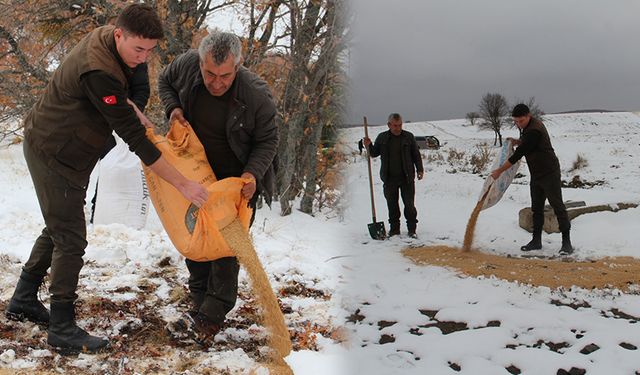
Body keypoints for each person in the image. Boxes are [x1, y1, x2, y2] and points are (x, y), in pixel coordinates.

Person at [6, 4, 209, 354]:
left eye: (149, 50)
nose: (143, 57)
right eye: (138, 50)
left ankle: (24, 297)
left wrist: (131, 103)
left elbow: (138, 87)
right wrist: (183, 184)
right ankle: (62, 326)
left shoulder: (123, 47)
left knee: (60, 224)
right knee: (70, 238)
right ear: (119, 34)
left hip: (75, 148)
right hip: (54, 150)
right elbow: (134, 137)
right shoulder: (98, 69)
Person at [158, 30, 278, 345]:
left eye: (225, 75)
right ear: (200, 62)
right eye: (209, 73)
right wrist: (174, 109)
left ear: (237, 67)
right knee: (196, 235)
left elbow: (268, 140)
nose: (216, 82)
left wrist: (252, 175)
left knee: (226, 246)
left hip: (236, 179)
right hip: (195, 170)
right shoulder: (186, 66)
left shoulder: (255, 95)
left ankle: (211, 316)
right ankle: (199, 300)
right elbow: (164, 81)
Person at [491, 103, 573, 255]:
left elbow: (518, 155)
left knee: (558, 206)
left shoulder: (534, 130)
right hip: (536, 173)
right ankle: (536, 241)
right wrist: (517, 141)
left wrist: (499, 171)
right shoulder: (528, 129)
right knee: (536, 208)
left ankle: (566, 242)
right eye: (515, 121)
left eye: (521, 121)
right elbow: (527, 143)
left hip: (549, 172)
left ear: (529, 116)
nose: (518, 124)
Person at [363, 113, 424, 238]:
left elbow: (416, 155)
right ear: (389, 125)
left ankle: (412, 230)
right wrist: (368, 145)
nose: (398, 128)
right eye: (395, 125)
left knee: (409, 205)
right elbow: (374, 153)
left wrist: (420, 169)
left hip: (407, 178)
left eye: (400, 125)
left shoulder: (408, 137)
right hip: (389, 178)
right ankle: (394, 230)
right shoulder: (382, 137)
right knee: (392, 206)